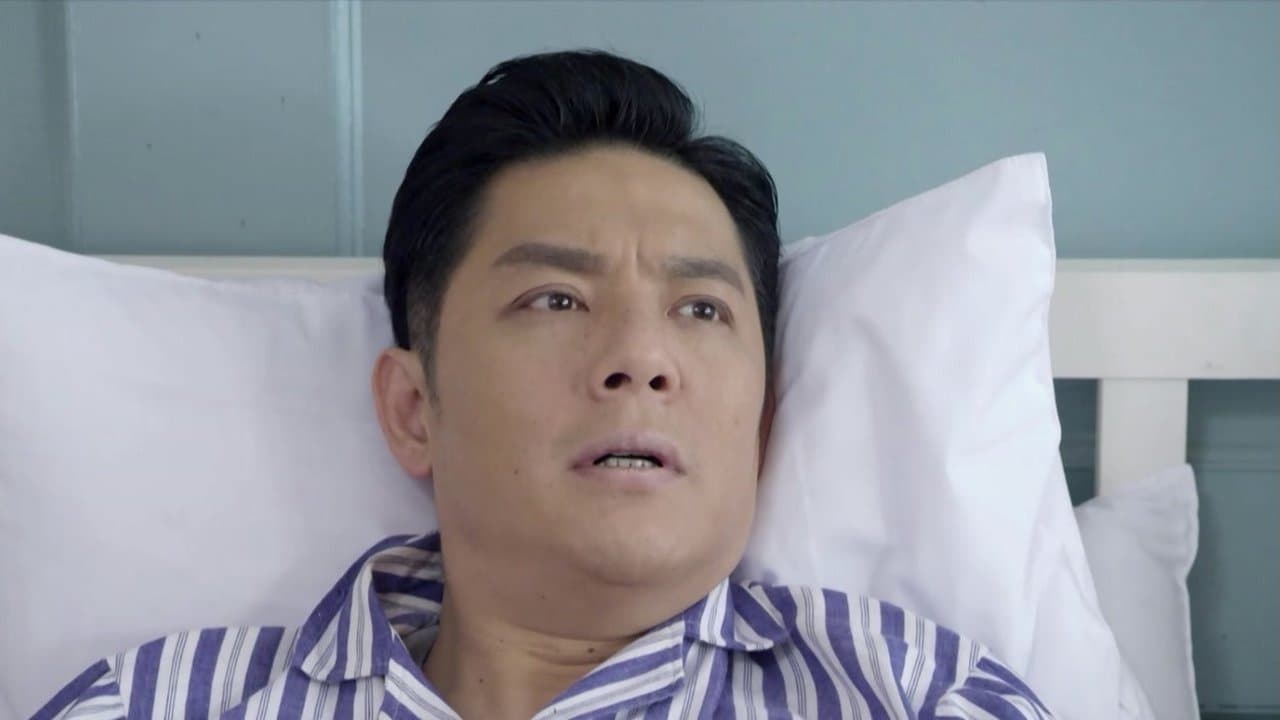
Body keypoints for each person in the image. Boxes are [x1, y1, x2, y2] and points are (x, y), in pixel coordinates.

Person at [33, 50, 1052, 720]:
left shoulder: (914, 694)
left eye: (700, 310)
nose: (641, 358)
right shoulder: (155, 704)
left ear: (761, 417)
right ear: (414, 409)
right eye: (556, 299)